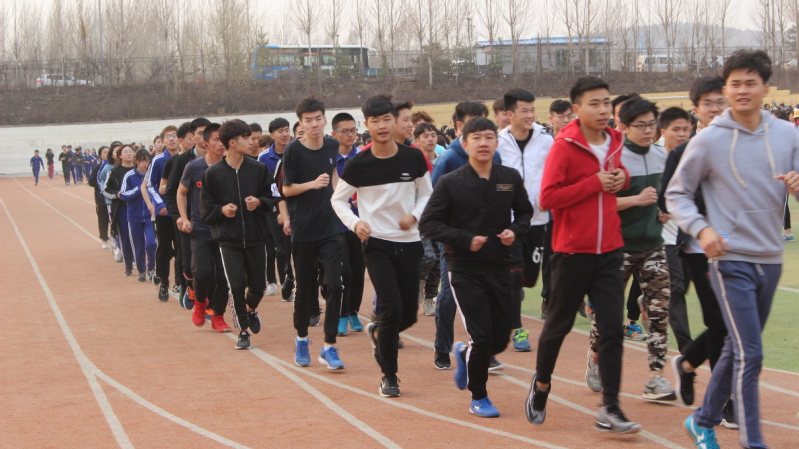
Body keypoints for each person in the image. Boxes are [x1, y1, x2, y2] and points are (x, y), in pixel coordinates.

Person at [668, 50, 799, 449]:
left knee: (737, 348)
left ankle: (702, 420)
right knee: (751, 352)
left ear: (766, 89)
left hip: (770, 258)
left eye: (750, 83)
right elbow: (677, 194)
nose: (743, 90)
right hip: (728, 259)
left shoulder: (788, 135)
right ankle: (752, 441)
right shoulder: (709, 140)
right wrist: (702, 229)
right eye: (735, 83)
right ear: (726, 90)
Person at [527, 76, 641, 434]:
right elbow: (547, 198)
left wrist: (620, 178)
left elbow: (618, 176)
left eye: (607, 102)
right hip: (572, 252)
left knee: (611, 330)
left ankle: (611, 406)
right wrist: (594, 184)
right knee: (558, 327)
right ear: (577, 109)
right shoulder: (564, 147)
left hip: (610, 251)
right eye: (595, 103)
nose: (603, 109)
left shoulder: (615, 140)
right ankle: (541, 385)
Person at [420, 116, 532, 417]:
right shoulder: (451, 182)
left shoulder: (509, 178)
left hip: (500, 265)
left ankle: (465, 353)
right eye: (477, 138)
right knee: (481, 336)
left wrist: (515, 231)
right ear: (465, 143)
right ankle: (479, 396)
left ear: (496, 142)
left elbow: (525, 213)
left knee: (500, 338)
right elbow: (428, 223)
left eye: (489, 137)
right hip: (464, 267)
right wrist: (465, 239)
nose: (483, 143)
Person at [332, 94, 433, 396]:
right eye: (375, 121)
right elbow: (338, 200)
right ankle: (389, 375)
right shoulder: (359, 164)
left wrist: (414, 216)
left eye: (387, 119)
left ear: (394, 121)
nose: (382, 125)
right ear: (367, 125)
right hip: (377, 244)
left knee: (408, 315)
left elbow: (427, 194)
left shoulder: (413, 158)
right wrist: (356, 223)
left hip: (410, 243)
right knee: (390, 310)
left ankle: (379, 332)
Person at [585, 97, 675, 401]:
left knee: (660, 311)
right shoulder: (613, 158)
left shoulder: (661, 155)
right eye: (641, 125)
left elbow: (665, 195)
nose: (648, 131)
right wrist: (636, 200)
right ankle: (596, 355)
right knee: (607, 316)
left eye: (652, 124)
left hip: (653, 246)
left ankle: (656, 377)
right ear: (623, 126)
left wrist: (663, 210)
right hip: (617, 248)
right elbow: (600, 202)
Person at [659, 76, 736, 426]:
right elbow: (668, 198)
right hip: (698, 247)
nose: (716, 109)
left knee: (734, 324)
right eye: (709, 103)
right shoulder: (683, 152)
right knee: (720, 322)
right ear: (696, 110)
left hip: (741, 248)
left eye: (721, 101)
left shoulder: (743, 144)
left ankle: (688, 362)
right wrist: (703, 217)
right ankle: (725, 400)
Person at [430, 101, 502, 371]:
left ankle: (485, 350)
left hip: (488, 238)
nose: (482, 133)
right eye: (475, 123)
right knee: (450, 295)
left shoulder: (495, 156)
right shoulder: (449, 159)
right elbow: (434, 200)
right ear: (460, 127)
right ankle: (442, 347)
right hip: (455, 240)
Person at [281, 96, 345, 369]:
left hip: (331, 227)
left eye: (318, 119)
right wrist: (312, 185)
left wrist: (341, 194)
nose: (315, 124)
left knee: (335, 284)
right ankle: (302, 339)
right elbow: (286, 189)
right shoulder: (293, 150)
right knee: (305, 289)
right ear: (301, 124)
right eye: (309, 120)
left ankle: (329, 346)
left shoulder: (332, 145)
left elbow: (333, 174)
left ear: (325, 120)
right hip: (304, 228)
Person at [202, 119, 273, 349]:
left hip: (256, 237)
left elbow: (272, 197)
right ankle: (243, 330)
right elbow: (206, 210)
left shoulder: (259, 169)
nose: (252, 142)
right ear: (232, 143)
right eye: (246, 138)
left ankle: (250, 309)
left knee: (259, 286)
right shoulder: (213, 173)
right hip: (228, 240)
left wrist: (259, 202)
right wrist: (221, 210)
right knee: (236, 285)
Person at [497, 88, 554, 353]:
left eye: (533, 110)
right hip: (509, 221)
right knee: (514, 275)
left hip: (539, 219)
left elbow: (555, 172)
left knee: (530, 278)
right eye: (525, 110)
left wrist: (549, 194)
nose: (531, 115)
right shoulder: (498, 142)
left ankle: (507, 289)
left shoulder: (546, 140)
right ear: (510, 114)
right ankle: (517, 329)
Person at [178, 123, 231, 333]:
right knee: (201, 273)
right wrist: (184, 218)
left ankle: (218, 316)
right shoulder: (194, 167)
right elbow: (181, 192)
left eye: (223, 140)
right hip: (200, 229)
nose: (221, 144)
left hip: (225, 230)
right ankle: (200, 302)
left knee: (223, 277)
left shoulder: (231, 167)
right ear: (206, 143)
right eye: (217, 139)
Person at [656, 106, 694, 353]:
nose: (682, 134)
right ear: (663, 131)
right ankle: (687, 349)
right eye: (676, 129)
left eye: (686, 130)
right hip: (663, 236)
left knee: (685, 286)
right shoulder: (654, 158)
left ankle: (652, 300)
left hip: (689, 234)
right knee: (676, 289)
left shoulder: (694, 157)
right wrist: (656, 211)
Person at [167, 118, 210, 309]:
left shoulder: (220, 158)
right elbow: (172, 192)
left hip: (212, 220)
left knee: (210, 264)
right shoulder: (182, 161)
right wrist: (179, 217)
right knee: (188, 263)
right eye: (200, 133)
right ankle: (190, 288)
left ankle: (208, 300)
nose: (205, 137)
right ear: (192, 137)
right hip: (189, 221)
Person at [330, 112, 366, 335]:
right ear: (334, 134)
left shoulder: (362, 157)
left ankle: (353, 311)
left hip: (360, 223)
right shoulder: (328, 159)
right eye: (345, 131)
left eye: (353, 130)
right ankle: (341, 314)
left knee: (358, 270)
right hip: (336, 224)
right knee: (344, 272)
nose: (351, 134)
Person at [259, 117, 295, 301]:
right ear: (272, 135)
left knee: (296, 248)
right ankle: (284, 280)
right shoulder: (264, 158)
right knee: (280, 249)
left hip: (296, 207)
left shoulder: (296, 151)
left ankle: (291, 278)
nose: (284, 134)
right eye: (280, 131)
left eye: (287, 130)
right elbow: (260, 185)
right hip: (273, 210)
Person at [144, 126, 180, 301]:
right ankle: (164, 283)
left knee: (182, 249)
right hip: (164, 213)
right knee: (164, 249)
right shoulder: (158, 161)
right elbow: (151, 185)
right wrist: (159, 205)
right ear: (163, 141)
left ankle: (180, 283)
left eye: (174, 135)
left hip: (182, 212)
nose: (171, 139)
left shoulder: (186, 158)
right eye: (167, 136)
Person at [119, 149, 158, 283]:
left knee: (151, 243)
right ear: (136, 161)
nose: (144, 164)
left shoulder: (152, 175)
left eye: (146, 161)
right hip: (134, 216)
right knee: (138, 245)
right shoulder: (129, 176)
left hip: (149, 216)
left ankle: (151, 268)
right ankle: (141, 270)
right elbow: (123, 194)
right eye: (141, 161)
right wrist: (140, 189)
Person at [104, 145, 136, 275]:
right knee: (126, 238)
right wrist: (117, 194)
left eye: (130, 151)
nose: (128, 154)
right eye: (125, 152)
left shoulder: (139, 169)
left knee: (140, 237)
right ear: (120, 156)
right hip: (122, 209)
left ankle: (142, 262)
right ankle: (128, 265)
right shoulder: (114, 172)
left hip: (139, 208)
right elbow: (105, 190)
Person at [88, 146, 111, 248]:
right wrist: (101, 185)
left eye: (108, 152)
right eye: (104, 152)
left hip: (112, 197)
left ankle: (115, 237)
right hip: (101, 198)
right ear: (100, 155)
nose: (107, 154)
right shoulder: (97, 168)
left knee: (114, 219)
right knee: (103, 219)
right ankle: (104, 239)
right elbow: (91, 181)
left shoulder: (113, 166)